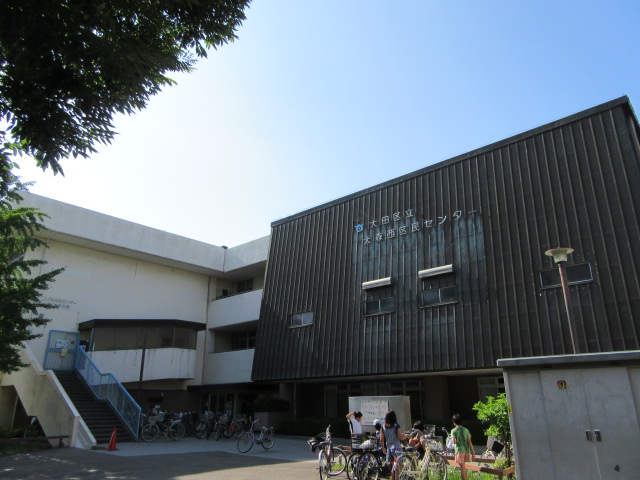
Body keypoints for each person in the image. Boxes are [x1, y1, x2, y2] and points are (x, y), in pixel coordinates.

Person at [380, 411, 410, 480]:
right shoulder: (396, 426)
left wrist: (383, 448)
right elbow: (400, 437)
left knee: (393, 469)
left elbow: (381, 439)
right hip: (397, 448)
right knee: (398, 469)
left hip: (389, 449)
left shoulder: (383, 427)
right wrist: (407, 436)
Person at [451, 413, 476, 480]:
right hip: (467, 450)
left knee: (462, 467)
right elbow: (470, 442)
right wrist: (473, 453)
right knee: (464, 467)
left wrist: (452, 439)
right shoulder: (466, 430)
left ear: (454, 422)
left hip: (459, 451)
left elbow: (454, 442)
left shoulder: (453, 431)